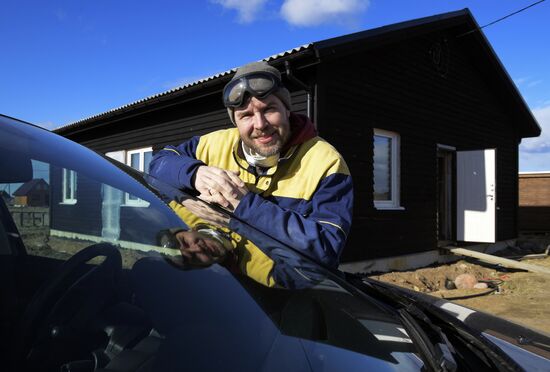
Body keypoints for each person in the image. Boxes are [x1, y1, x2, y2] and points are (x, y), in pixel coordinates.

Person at [149, 61, 353, 275]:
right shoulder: (211, 144)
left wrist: (243, 209)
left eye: (269, 109)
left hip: (276, 295)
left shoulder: (326, 161)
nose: (260, 124)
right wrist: (195, 174)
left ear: (286, 109)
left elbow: (326, 251)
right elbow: (158, 164)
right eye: (245, 115)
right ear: (235, 120)